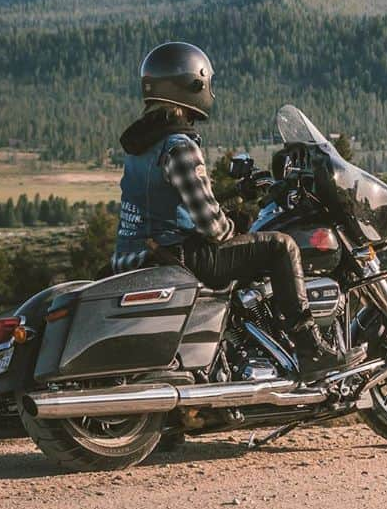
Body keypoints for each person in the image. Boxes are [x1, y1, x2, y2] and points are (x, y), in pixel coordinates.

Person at [112, 41, 364, 381]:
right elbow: (212, 227)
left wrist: (233, 206)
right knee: (279, 247)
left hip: (138, 254)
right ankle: (310, 350)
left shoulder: (141, 145)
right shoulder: (179, 146)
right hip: (178, 256)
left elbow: (171, 204)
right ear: (193, 85)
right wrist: (237, 227)